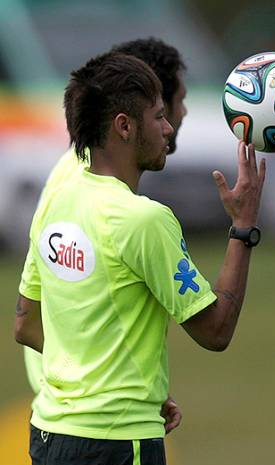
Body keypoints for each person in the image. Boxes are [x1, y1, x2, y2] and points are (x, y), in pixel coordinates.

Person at [13, 50, 265, 465]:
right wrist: (243, 226)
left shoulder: (56, 200)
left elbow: (27, 324)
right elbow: (215, 330)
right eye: (159, 116)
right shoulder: (143, 220)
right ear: (125, 126)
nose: (169, 130)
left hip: (50, 442)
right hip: (115, 450)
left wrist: (120, 384)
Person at [20, 37, 189, 433]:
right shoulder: (80, 185)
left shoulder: (85, 175)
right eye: (174, 103)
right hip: (97, 418)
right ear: (132, 115)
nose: (181, 115)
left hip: (69, 412)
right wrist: (112, 384)